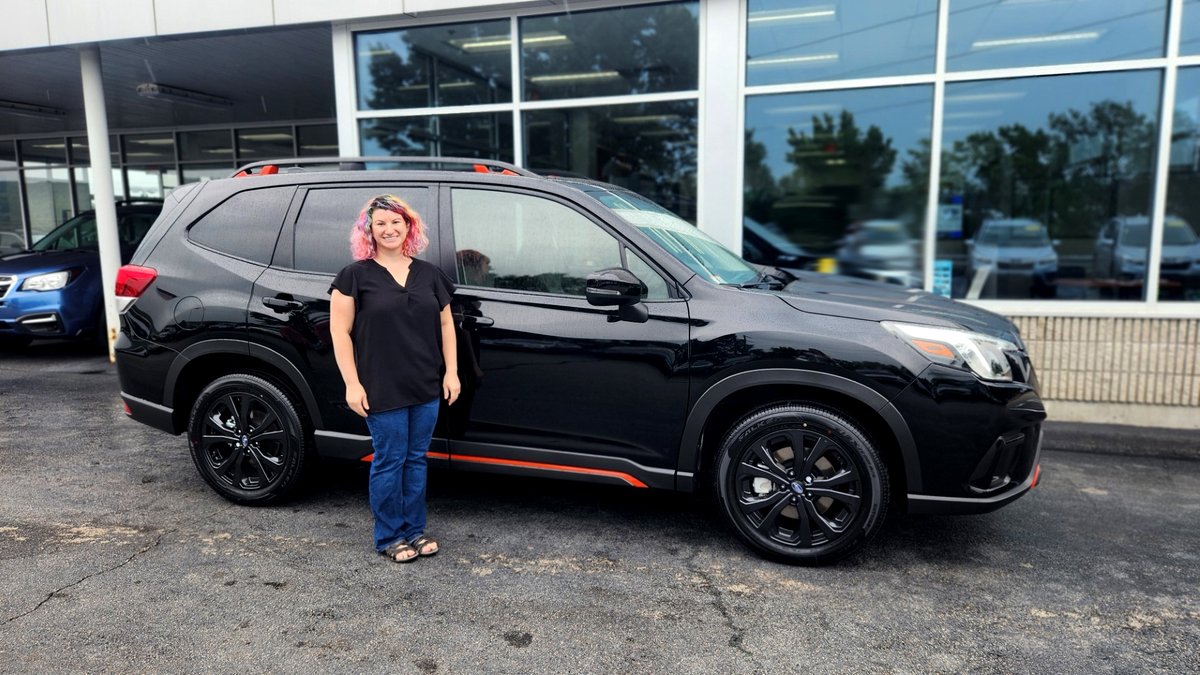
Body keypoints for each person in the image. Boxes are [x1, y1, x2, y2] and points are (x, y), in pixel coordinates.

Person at [329, 194, 460, 563]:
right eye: (381, 223)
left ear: (409, 226)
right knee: (390, 458)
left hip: (425, 384)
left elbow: (446, 323)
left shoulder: (430, 274)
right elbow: (340, 333)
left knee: (416, 459)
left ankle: (414, 531)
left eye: (396, 222)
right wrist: (352, 384)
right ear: (368, 230)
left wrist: (451, 372)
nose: (389, 229)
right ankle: (389, 535)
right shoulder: (354, 276)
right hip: (380, 385)